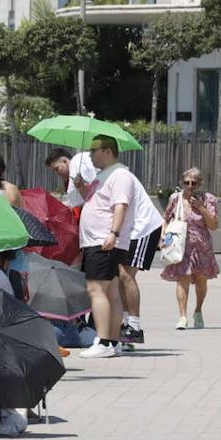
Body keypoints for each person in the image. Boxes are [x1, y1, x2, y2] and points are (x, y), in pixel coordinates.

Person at [76, 135, 133, 359]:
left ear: (107, 151)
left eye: (94, 150)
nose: (90, 155)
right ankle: (112, 340)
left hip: (104, 241)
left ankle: (104, 341)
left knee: (95, 289)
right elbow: (96, 203)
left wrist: (114, 233)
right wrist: (82, 189)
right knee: (110, 291)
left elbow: (120, 206)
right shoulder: (103, 176)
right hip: (97, 240)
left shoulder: (119, 175)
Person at [161, 167, 219, 330]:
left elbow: (214, 225)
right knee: (182, 279)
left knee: (201, 281)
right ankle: (183, 317)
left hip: (202, 246)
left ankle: (198, 310)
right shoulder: (175, 198)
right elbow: (165, 218)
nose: (190, 186)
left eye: (194, 183)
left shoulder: (209, 199)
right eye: (187, 182)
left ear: (200, 183)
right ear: (182, 183)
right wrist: (163, 237)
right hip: (181, 245)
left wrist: (201, 208)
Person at [117, 164, 163, 346]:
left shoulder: (119, 175)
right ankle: (126, 325)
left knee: (126, 274)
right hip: (128, 230)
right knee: (120, 274)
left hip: (142, 228)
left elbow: (120, 206)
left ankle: (134, 327)